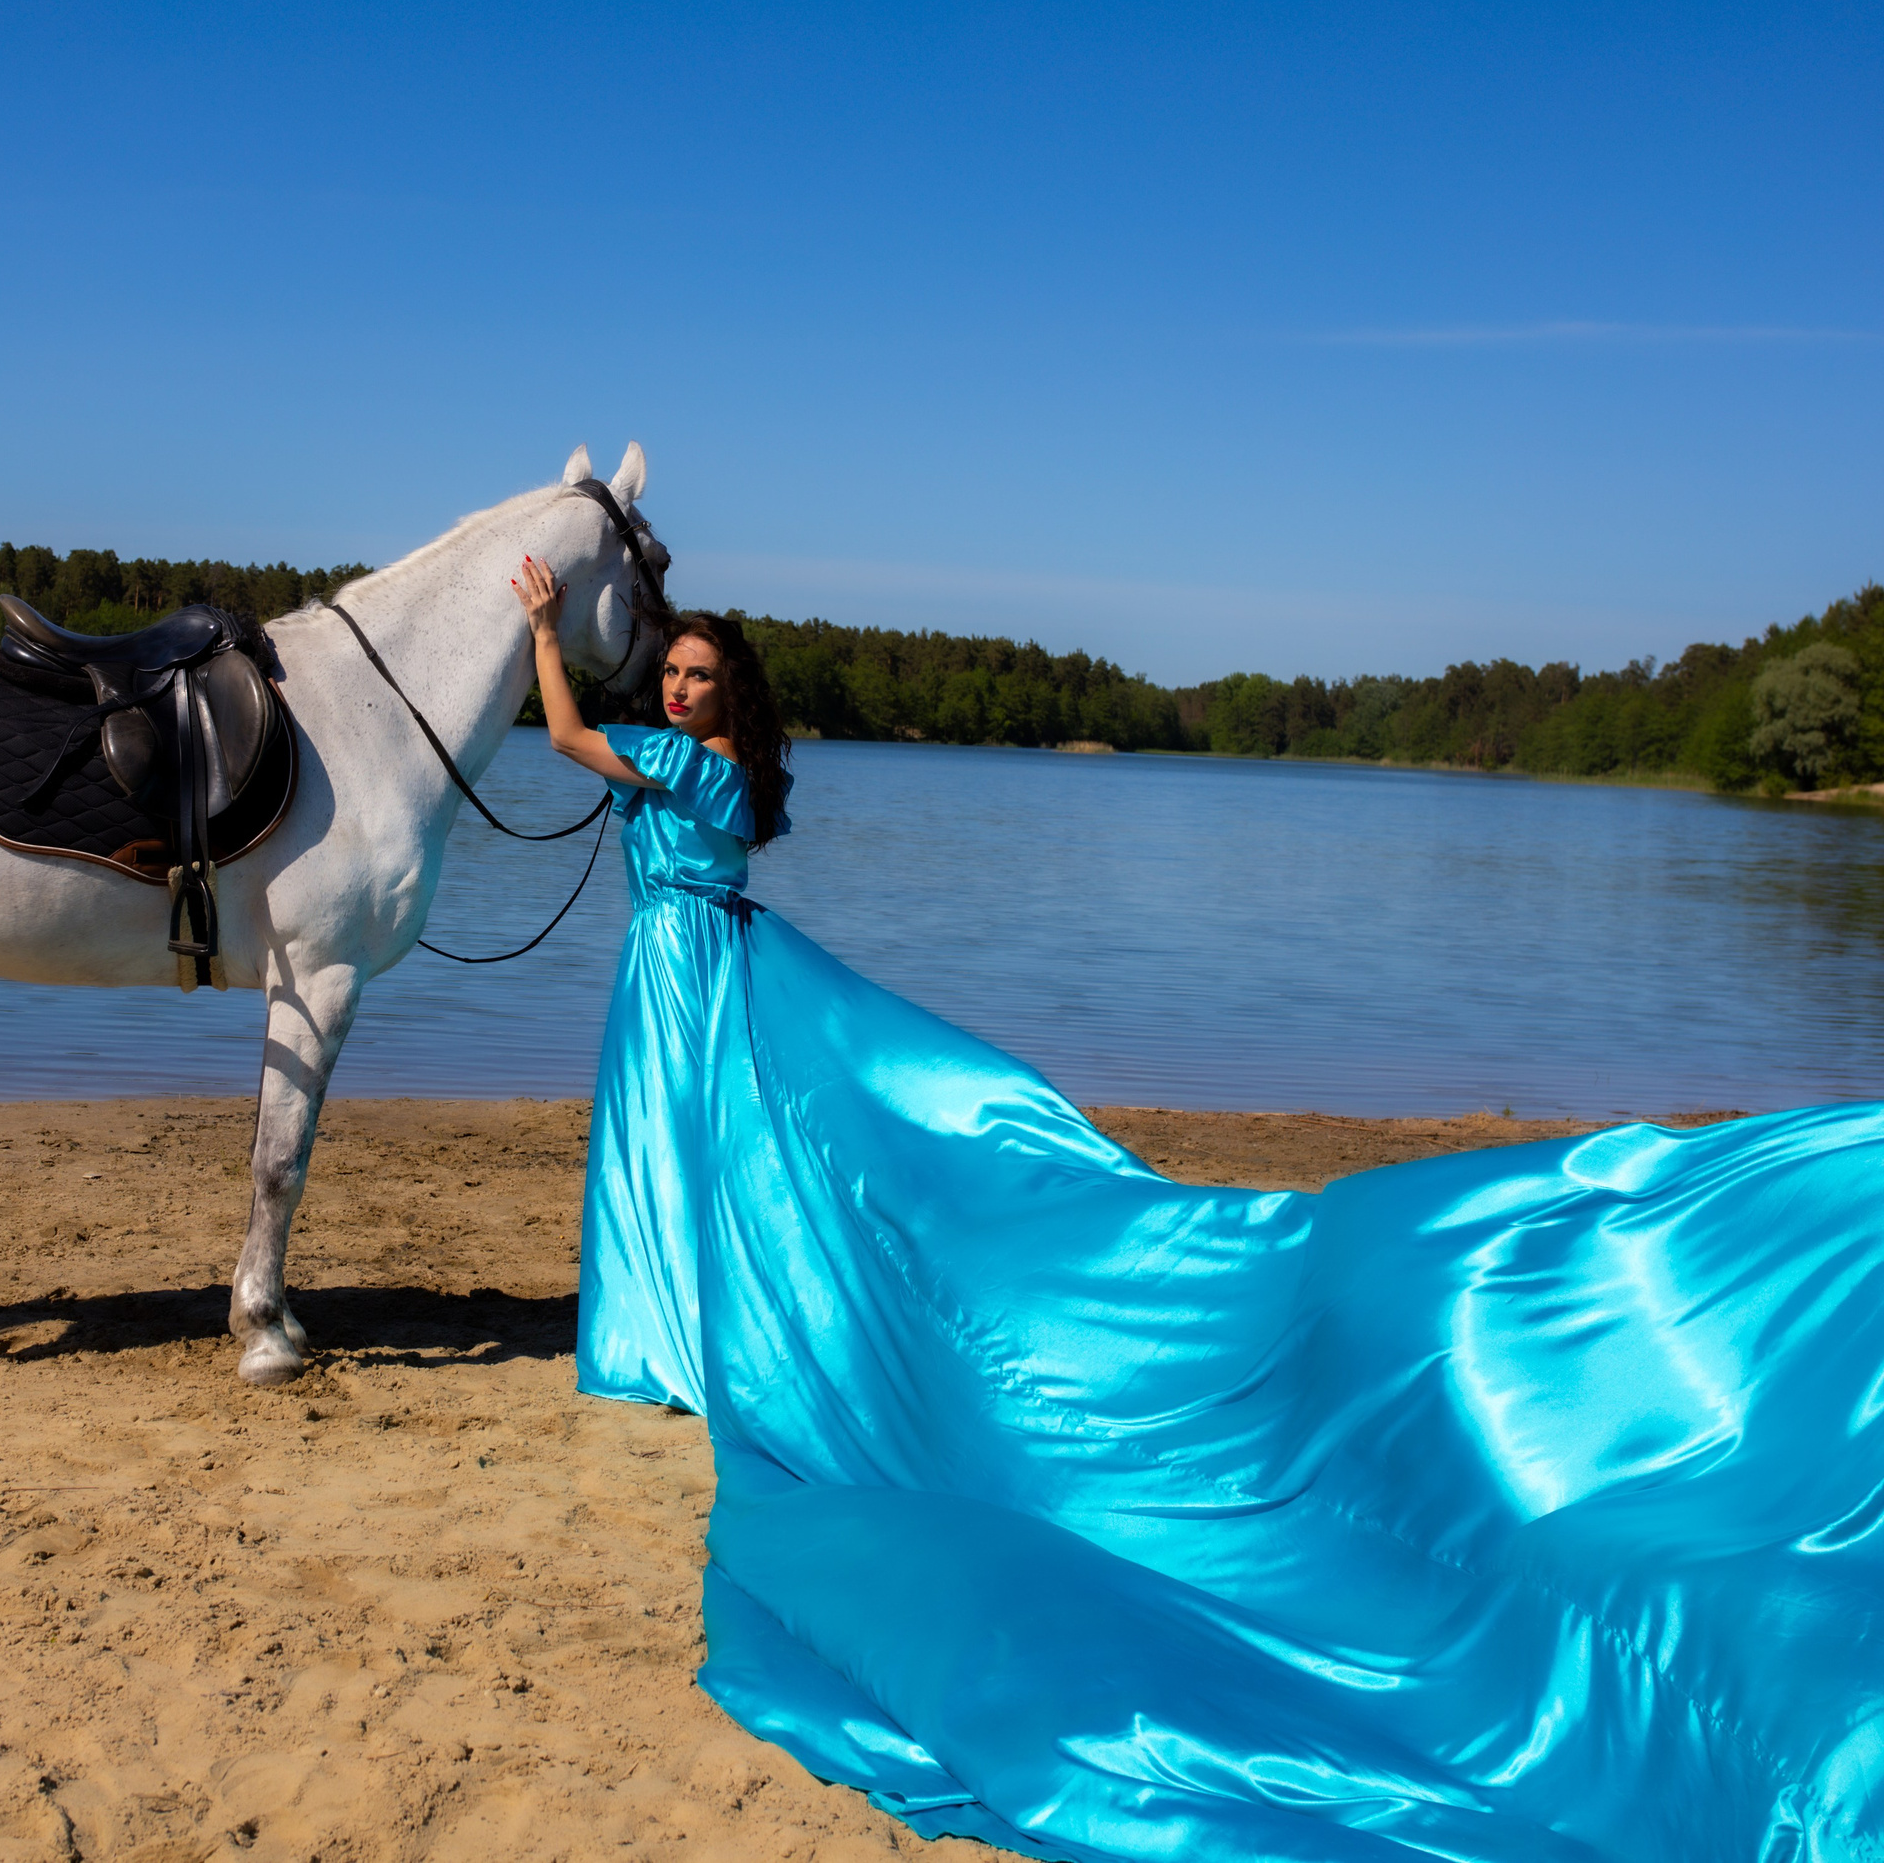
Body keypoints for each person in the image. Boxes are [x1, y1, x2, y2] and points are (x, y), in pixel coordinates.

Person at [513, 556, 1884, 1863]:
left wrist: (538, 637)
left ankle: (675, 1338)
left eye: (698, 675)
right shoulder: (716, 770)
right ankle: (679, 1331)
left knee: (714, 1155)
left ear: (727, 698)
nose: (681, 689)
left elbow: (571, 739)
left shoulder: (700, 764)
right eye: (674, 674)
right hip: (692, 961)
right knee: (703, 1159)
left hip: (695, 971)